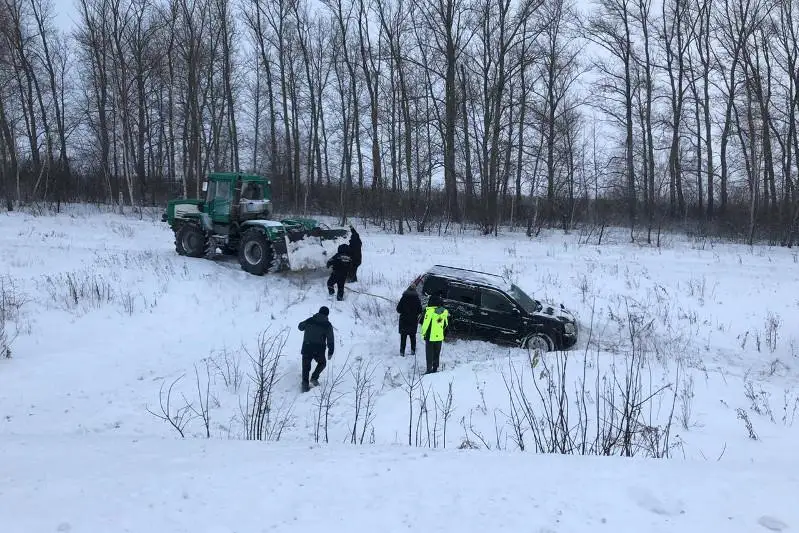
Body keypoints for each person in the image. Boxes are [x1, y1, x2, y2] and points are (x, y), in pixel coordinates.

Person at [297, 306, 335, 392]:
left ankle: (305, 385)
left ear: (319, 312)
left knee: (306, 367)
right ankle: (314, 378)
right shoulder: (327, 325)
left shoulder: (310, 320)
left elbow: (300, 327)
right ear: (327, 314)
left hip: (307, 347)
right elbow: (330, 339)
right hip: (319, 349)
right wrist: (330, 351)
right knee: (322, 363)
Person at [420, 294, 449, 374]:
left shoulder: (429, 311)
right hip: (439, 336)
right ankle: (435, 368)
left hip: (430, 336)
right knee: (437, 353)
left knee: (429, 354)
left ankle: (429, 369)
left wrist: (423, 334)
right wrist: (443, 334)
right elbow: (446, 324)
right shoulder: (444, 311)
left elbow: (425, 324)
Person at [396, 287, 423, 357]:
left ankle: (402, 352)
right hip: (413, 320)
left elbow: (398, 309)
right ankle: (413, 351)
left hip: (404, 320)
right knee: (413, 337)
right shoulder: (417, 299)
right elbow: (420, 310)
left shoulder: (403, 298)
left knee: (403, 337)